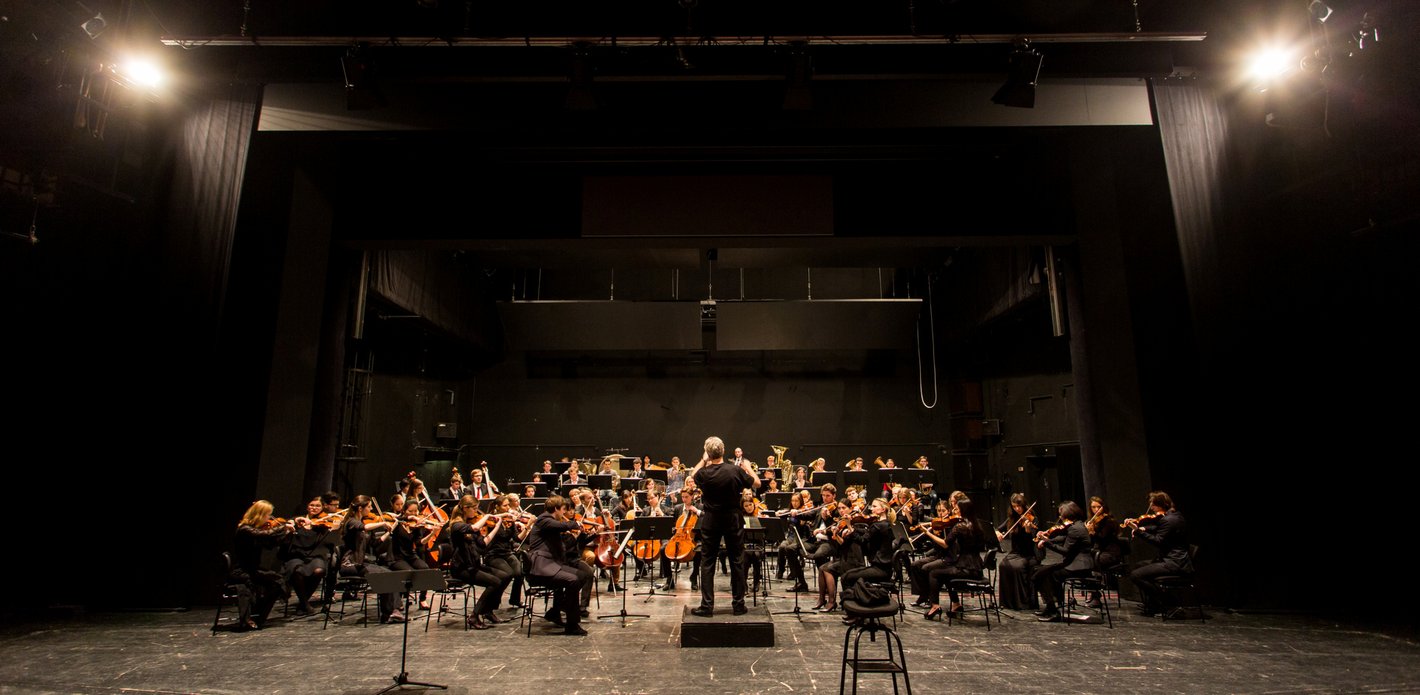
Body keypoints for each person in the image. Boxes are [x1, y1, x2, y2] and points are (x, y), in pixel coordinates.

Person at [689, 435, 759, 616]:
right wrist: (749, 468)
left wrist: (702, 460)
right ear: (723, 451)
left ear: (708, 453)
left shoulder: (704, 473)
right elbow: (757, 483)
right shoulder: (735, 470)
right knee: (737, 560)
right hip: (733, 519)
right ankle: (738, 605)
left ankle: (706, 606)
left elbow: (691, 474)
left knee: (707, 562)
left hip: (711, 520)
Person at [527, 495, 593, 635]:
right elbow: (560, 526)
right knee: (573, 580)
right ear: (556, 509)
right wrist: (574, 524)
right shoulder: (544, 520)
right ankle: (572, 624)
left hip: (552, 564)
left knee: (582, 575)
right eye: (563, 510)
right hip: (541, 567)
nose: (564, 513)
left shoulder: (550, 521)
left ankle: (561, 607)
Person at [918, 497, 989, 621]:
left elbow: (945, 544)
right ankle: (956, 604)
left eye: (956, 509)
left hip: (965, 568)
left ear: (963, 510)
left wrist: (928, 533)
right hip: (977, 567)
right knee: (946, 574)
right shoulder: (978, 525)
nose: (954, 511)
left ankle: (935, 606)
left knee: (934, 573)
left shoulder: (960, 526)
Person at [1123, 491, 1191, 617]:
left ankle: (1168, 603)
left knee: (1135, 575)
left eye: (1153, 505)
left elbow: (1158, 540)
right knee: (1139, 565)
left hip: (1174, 562)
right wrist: (1144, 528)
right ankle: (1153, 604)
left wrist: (1138, 531)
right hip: (1174, 560)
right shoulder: (1175, 516)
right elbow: (1158, 527)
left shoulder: (1169, 520)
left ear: (1160, 505)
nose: (1152, 508)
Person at [338, 495, 404, 624]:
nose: (371, 509)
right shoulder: (351, 522)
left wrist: (387, 533)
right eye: (369, 506)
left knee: (390, 574)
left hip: (361, 563)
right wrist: (383, 522)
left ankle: (393, 611)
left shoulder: (364, 523)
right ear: (360, 508)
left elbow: (374, 544)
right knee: (383, 576)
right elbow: (364, 528)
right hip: (350, 564)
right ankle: (390, 612)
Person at [231, 500, 291, 630]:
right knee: (273, 582)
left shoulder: (255, 530)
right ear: (259, 514)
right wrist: (283, 527)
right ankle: (251, 618)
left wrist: (287, 533)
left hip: (252, 569)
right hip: (241, 571)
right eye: (267, 515)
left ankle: (258, 616)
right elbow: (263, 535)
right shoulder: (244, 529)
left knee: (277, 582)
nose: (269, 518)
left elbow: (270, 544)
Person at [1032, 501, 1095, 622]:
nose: (1060, 517)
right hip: (1074, 563)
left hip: (1078, 567)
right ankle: (1052, 606)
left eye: (1061, 514)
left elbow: (1065, 551)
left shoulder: (1076, 529)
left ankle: (1053, 610)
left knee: (1043, 575)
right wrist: (1048, 538)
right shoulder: (1077, 525)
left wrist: (1047, 543)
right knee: (1038, 571)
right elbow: (1064, 537)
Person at [282, 497, 333, 616]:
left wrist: (333, 526)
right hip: (297, 554)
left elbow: (331, 537)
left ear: (322, 508)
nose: (314, 508)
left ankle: (303, 603)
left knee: (319, 571)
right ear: (307, 507)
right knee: (297, 571)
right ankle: (304, 604)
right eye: (312, 505)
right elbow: (285, 528)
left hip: (315, 555)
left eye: (317, 506)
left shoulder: (322, 524)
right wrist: (292, 524)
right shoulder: (297, 520)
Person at [994, 492, 1040, 610]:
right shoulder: (1012, 519)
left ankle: (1023, 602)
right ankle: (1008, 602)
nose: (1017, 509)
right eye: (1014, 506)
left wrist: (1028, 529)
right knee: (1003, 565)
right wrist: (998, 533)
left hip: (1028, 553)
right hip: (1015, 552)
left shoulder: (1032, 519)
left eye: (1019, 506)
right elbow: (998, 529)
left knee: (1017, 567)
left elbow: (1033, 539)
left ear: (1024, 505)